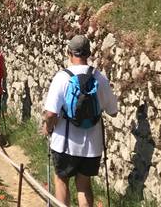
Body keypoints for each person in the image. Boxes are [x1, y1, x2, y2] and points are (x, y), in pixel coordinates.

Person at [41, 34, 119, 207]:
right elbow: (113, 112)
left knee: (61, 180)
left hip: (64, 143)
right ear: (88, 53)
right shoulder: (100, 78)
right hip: (92, 145)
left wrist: (48, 127)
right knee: (83, 185)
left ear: (69, 53)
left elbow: (51, 114)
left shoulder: (62, 77)